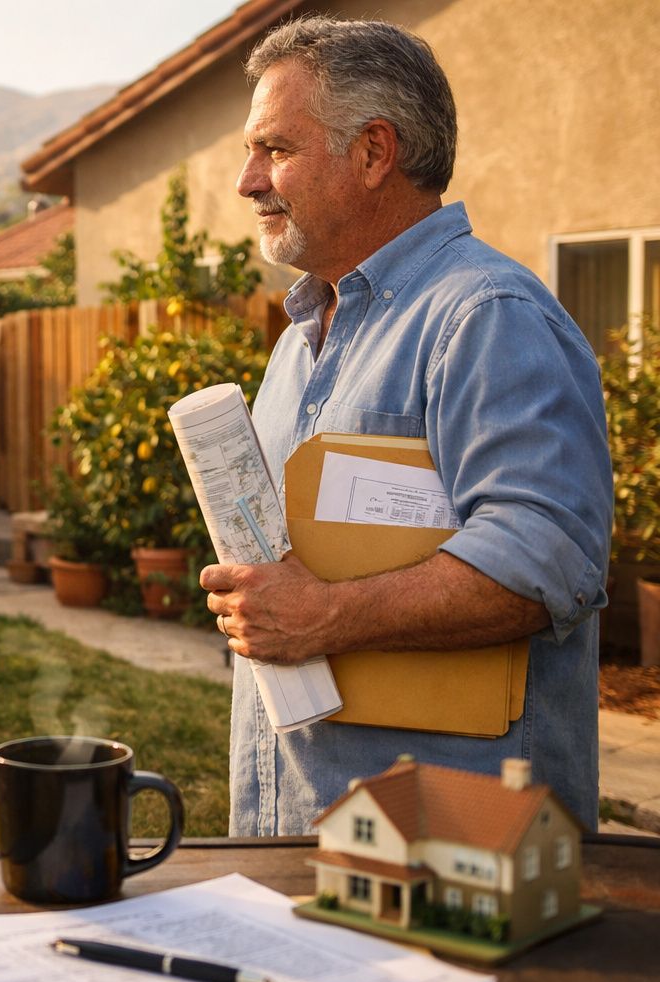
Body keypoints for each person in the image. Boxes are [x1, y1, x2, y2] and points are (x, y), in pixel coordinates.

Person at [202, 16, 611, 837]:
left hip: (451, 859)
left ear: (373, 153)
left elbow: (547, 556)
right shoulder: (299, 345)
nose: (248, 182)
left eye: (274, 149)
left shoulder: (487, 317)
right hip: (304, 840)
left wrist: (325, 615)